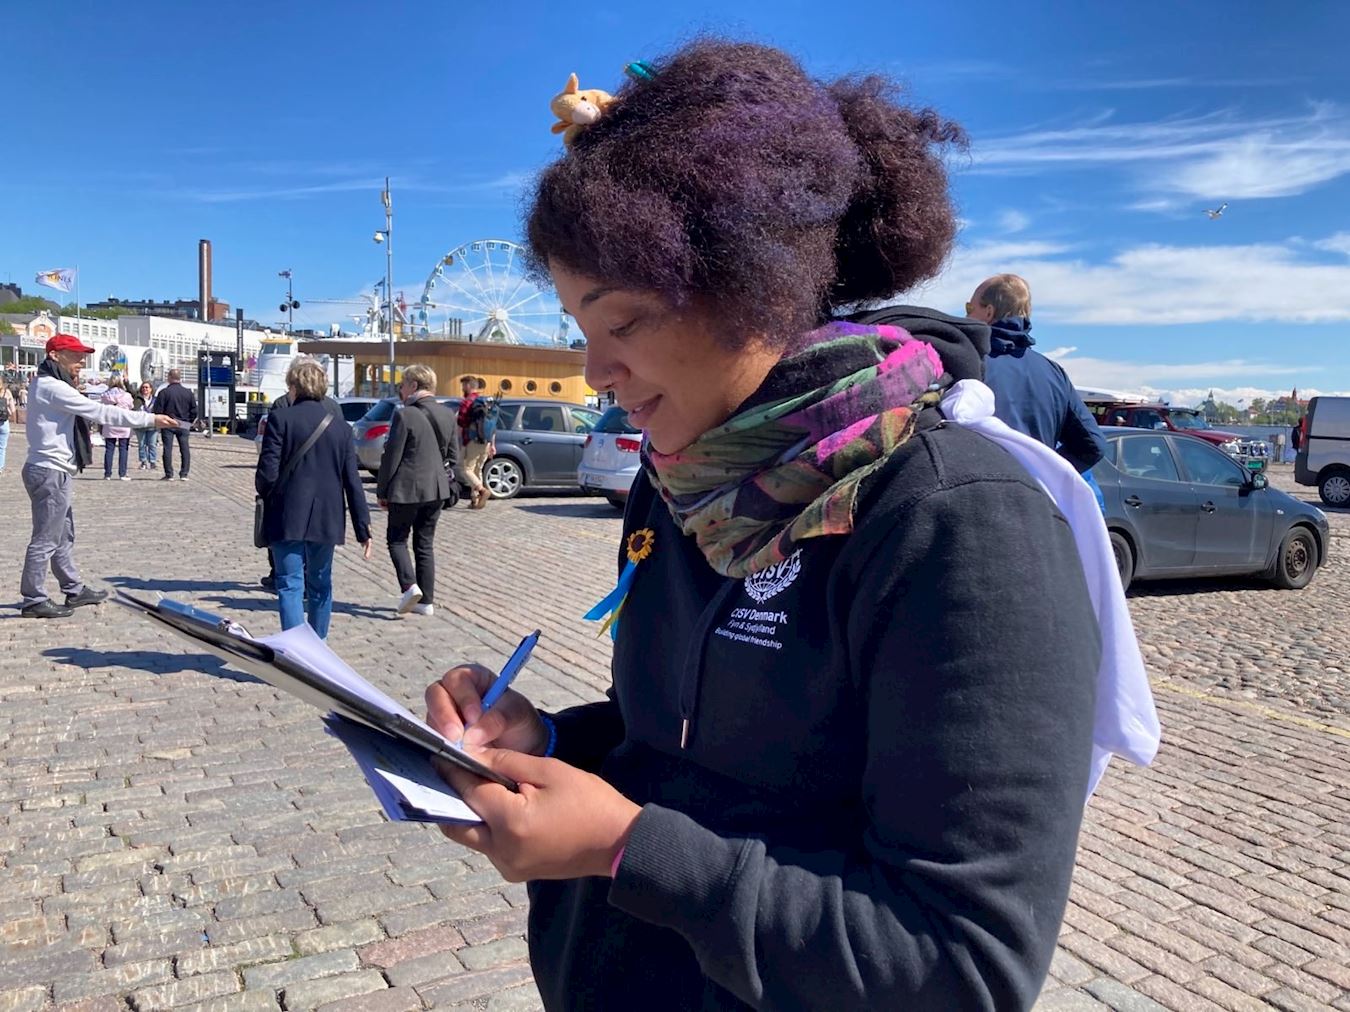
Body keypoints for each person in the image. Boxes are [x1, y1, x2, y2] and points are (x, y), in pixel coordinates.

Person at [422, 41, 1152, 1011]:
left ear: (753, 284)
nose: (595, 373)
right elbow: (680, 752)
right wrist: (548, 740)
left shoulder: (957, 519)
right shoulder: (682, 483)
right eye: (579, 331)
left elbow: (964, 965)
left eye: (623, 323)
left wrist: (626, 848)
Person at [21, 334, 177, 618]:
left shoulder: (47, 383)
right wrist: (150, 419)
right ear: (55, 355)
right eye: (75, 355)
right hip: (50, 470)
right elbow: (100, 412)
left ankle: (73, 589)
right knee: (46, 538)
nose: (82, 361)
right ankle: (34, 599)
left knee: (63, 534)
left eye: (83, 356)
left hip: (52, 468)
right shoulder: (52, 386)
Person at [255, 357, 372, 640]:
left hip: (287, 514)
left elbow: (267, 474)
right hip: (327, 516)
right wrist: (363, 527)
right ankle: (318, 645)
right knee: (320, 584)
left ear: (293, 387)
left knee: (290, 584)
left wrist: (268, 494)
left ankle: (296, 649)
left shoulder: (281, 419)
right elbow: (352, 481)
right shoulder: (341, 428)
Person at [964, 274, 1108, 474]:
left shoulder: (967, 363)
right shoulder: (1054, 373)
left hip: (976, 488)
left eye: (969, 308)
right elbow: (1093, 446)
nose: (965, 317)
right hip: (1034, 493)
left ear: (989, 312)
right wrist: (1044, 474)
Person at [376, 364, 456, 617]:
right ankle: (427, 602)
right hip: (436, 489)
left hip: (406, 489)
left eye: (402, 385)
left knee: (396, 539)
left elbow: (392, 457)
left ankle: (409, 586)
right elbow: (454, 457)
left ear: (413, 385)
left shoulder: (405, 415)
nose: (400, 390)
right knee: (424, 544)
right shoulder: (447, 414)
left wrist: (382, 491)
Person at [152, 368, 197, 481]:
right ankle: (184, 473)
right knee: (185, 449)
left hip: (168, 422)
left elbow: (158, 410)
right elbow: (194, 410)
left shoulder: (164, 393)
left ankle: (169, 474)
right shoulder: (188, 393)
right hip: (184, 423)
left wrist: (160, 421)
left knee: (167, 448)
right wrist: (189, 421)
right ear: (179, 378)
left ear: (169, 378)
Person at [455, 375, 493, 508]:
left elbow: (461, 422)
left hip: (472, 440)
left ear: (468, 386)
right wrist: (492, 444)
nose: (462, 388)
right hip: (486, 441)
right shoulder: (485, 402)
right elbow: (494, 425)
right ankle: (475, 500)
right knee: (477, 470)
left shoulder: (467, 402)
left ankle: (482, 491)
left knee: (465, 469)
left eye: (463, 385)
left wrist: (458, 439)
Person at [100, 374, 134, 480]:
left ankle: (107, 474)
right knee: (123, 449)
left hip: (110, 423)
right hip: (123, 424)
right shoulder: (126, 395)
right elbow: (131, 406)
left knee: (109, 449)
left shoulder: (105, 395)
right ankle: (122, 473)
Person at [132, 380, 158, 470]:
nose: (145, 389)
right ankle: (143, 461)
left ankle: (152, 461)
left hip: (152, 425)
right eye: (143, 387)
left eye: (147, 387)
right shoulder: (138, 398)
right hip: (141, 425)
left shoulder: (155, 400)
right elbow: (129, 390)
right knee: (142, 444)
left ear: (151, 389)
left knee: (152, 444)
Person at [0, 381, 14, 475]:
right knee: (2, 447)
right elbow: (12, 410)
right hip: (4, 423)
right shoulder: (7, 392)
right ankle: (0, 467)